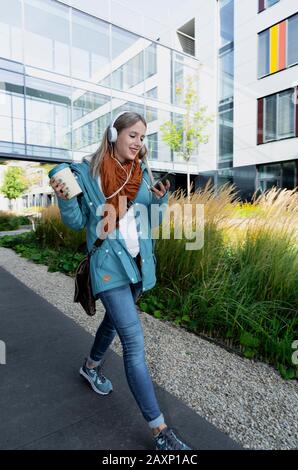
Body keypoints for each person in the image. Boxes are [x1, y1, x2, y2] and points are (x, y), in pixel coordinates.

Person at [50, 111, 191, 451]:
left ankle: (90, 367)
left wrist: (159, 199)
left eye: (143, 138)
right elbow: (76, 221)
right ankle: (161, 432)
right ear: (114, 134)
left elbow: (152, 221)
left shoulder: (142, 174)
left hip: (137, 266)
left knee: (113, 323)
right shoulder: (88, 173)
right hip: (108, 265)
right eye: (134, 135)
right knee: (133, 341)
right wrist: (64, 196)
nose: (139, 143)